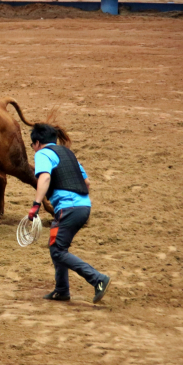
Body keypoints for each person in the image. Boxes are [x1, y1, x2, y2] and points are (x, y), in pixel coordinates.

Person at [28, 123, 111, 304]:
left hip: (69, 209)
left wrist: (36, 204)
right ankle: (62, 290)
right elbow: (86, 183)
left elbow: (45, 177)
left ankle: (98, 279)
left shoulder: (42, 154)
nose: (33, 149)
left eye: (32, 145)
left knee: (57, 250)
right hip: (82, 207)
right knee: (57, 247)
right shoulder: (68, 154)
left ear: (37, 142)